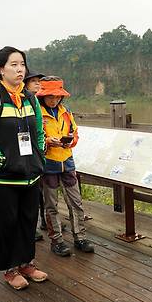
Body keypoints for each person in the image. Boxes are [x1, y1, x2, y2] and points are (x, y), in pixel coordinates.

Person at [0, 46, 48, 290]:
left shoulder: (30, 99)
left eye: (22, 64)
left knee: (29, 220)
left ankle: (27, 262)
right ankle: (10, 268)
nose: (20, 70)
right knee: (7, 223)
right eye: (14, 65)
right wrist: (5, 164)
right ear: (0, 69)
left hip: (30, 175)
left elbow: (39, 133)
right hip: (3, 179)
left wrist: (38, 159)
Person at [37, 76, 94, 256]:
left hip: (67, 163)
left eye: (57, 96)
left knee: (76, 202)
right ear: (42, 96)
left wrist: (70, 142)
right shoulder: (36, 114)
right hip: (48, 165)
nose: (54, 100)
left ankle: (80, 237)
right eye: (50, 96)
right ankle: (57, 241)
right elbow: (32, 138)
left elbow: (74, 132)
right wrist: (47, 141)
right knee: (51, 205)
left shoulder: (65, 111)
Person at [24, 70, 46, 240]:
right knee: (33, 192)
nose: (38, 84)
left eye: (39, 81)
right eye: (34, 81)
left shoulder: (41, 101)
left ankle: (44, 221)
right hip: (27, 154)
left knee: (42, 191)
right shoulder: (24, 101)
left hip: (40, 153)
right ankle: (33, 227)